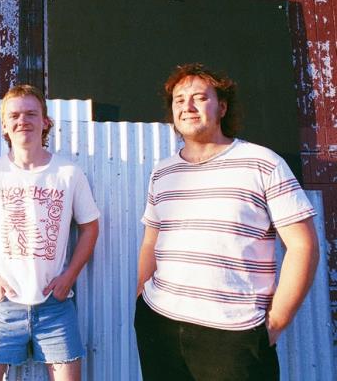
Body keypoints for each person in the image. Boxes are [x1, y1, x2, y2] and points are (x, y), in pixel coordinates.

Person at [134, 63, 319, 381]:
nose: (187, 106)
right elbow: (152, 240)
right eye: (179, 100)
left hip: (233, 336)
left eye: (198, 97)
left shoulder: (263, 163)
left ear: (221, 107)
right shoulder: (163, 171)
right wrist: (141, 297)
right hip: (160, 324)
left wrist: (275, 323)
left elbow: (303, 245)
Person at [0, 85, 100, 381]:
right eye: (15, 115)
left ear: (45, 122)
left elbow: (90, 228)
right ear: (5, 126)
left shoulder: (69, 173)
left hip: (55, 306)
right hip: (3, 305)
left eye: (31, 114)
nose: (23, 120)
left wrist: (69, 277)